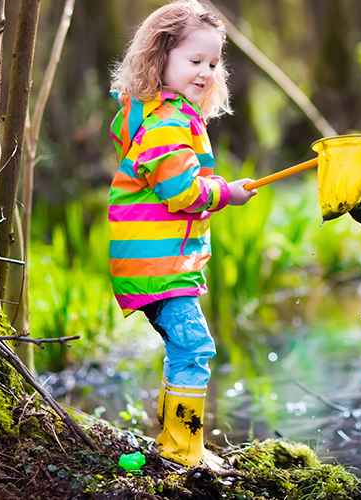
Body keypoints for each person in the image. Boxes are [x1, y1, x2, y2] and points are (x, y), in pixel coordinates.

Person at [108, 0, 256, 468]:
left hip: (164, 260)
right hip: (158, 263)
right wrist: (224, 192)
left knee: (186, 348)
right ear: (159, 57)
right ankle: (183, 450)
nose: (206, 72)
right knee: (195, 347)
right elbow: (181, 191)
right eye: (194, 61)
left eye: (213, 63)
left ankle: (179, 444)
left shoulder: (169, 115)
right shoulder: (165, 122)